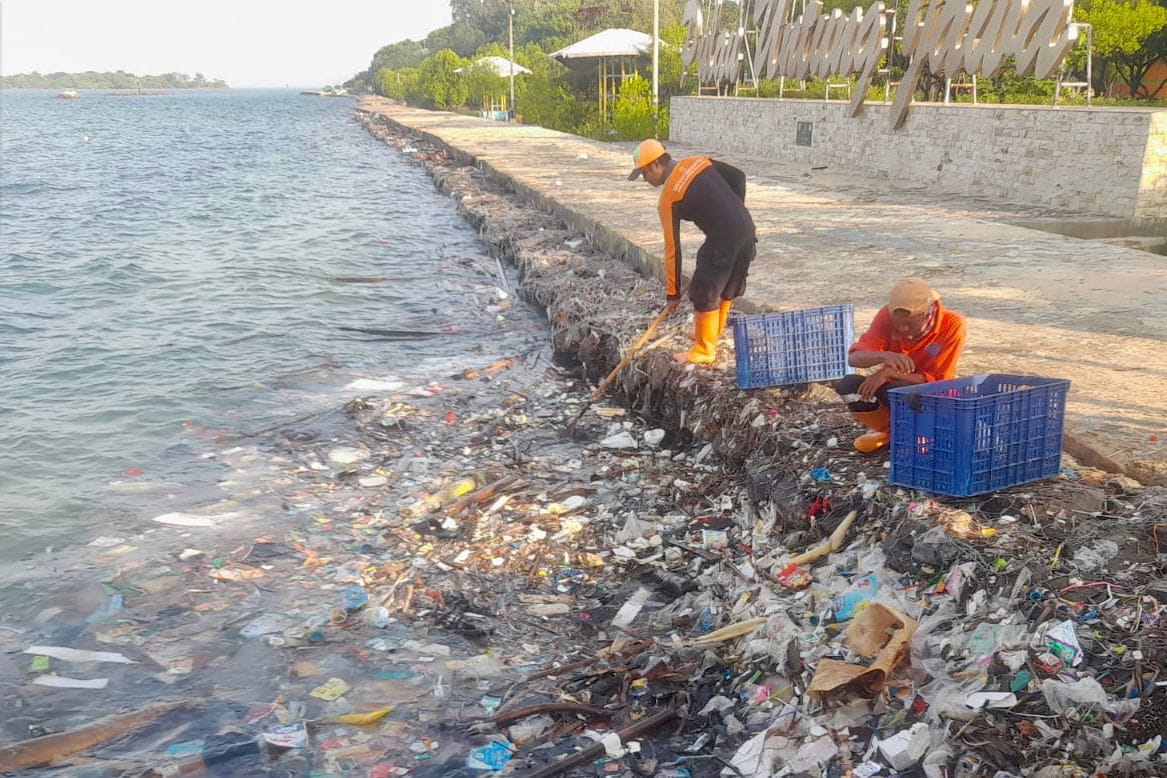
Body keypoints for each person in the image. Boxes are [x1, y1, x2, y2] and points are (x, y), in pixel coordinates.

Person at [628, 139, 757, 364]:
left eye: (643, 175)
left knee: (703, 287)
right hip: (746, 229)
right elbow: (739, 177)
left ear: (654, 166)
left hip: (724, 238)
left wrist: (673, 293)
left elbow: (672, 248)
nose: (645, 180)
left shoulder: (668, 198)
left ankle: (704, 349)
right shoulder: (698, 161)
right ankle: (712, 334)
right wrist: (735, 212)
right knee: (727, 285)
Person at [837, 278, 967, 453]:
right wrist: (884, 356)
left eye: (909, 324)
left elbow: (939, 381)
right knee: (849, 386)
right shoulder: (886, 315)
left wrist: (887, 374)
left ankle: (924, 433)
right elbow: (854, 358)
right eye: (898, 324)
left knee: (900, 391)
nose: (903, 329)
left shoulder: (952, 324)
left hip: (931, 396)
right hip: (895, 386)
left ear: (927, 311)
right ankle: (894, 433)